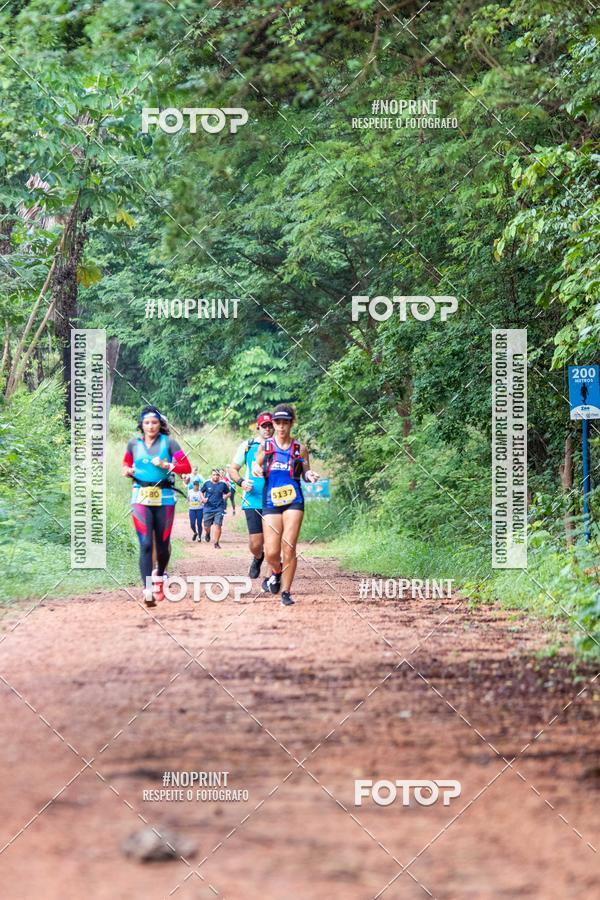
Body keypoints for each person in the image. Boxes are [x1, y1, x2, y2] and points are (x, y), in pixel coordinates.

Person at [122, 405, 191, 607]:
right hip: (140, 497)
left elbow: (186, 467)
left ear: (160, 424)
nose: (151, 426)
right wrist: (126, 470)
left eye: (154, 423)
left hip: (165, 498)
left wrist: (167, 465)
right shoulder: (133, 444)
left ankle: (159, 575)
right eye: (147, 423)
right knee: (145, 543)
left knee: (162, 544)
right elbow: (125, 464)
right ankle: (147, 589)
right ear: (141, 425)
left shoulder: (169, 443)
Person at [253, 404, 319, 606]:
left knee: (289, 546)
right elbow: (256, 463)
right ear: (273, 424)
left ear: (291, 424)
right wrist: (256, 468)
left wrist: (310, 475)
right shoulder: (266, 447)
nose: (281, 427)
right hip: (270, 501)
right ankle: (276, 570)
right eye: (278, 422)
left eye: (285, 423)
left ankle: (286, 592)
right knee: (272, 552)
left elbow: (306, 472)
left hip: (294, 500)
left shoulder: (300, 449)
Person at [227, 411, 274, 578]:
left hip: (274, 500)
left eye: (270, 425)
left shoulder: (280, 446)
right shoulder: (247, 446)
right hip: (252, 499)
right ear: (258, 427)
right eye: (264, 426)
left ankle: (271, 578)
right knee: (256, 544)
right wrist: (242, 483)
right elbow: (232, 469)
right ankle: (258, 557)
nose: (267, 429)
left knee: (272, 542)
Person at [201, 468, 230, 549]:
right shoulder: (207, 483)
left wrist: (225, 497)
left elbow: (229, 492)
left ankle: (216, 543)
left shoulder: (223, 484)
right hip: (208, 508)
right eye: (214, 475)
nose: (216, 476)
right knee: (206, 526)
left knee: (218, 525)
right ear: (211, 475)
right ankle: (207, 533)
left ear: (219, 476)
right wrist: (203, 498)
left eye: (217, 475)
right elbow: (201, 491)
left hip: (219, 508)